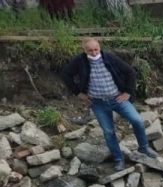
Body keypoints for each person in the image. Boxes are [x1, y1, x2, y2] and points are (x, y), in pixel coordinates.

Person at [60, 38, 157, 172]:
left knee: (137, 120)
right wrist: (78, 93)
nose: (94, 53)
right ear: (84, 50)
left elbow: (130, 72)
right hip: (98, 103)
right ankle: (118, 159)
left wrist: (128, 92)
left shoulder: (110, 57)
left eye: (96, 50)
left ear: (99, 48)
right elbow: (65, 74)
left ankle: (144, 147)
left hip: (118, 99)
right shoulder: (80, 61)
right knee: (108, 131)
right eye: (90, 50)